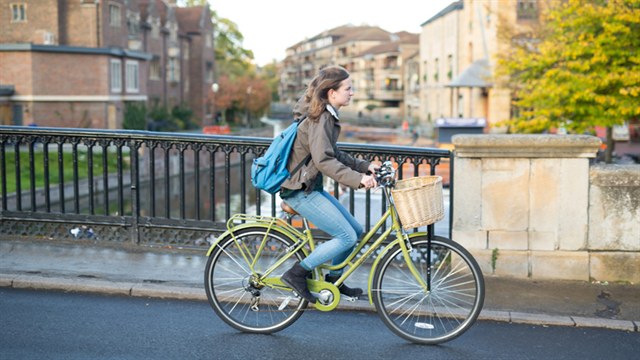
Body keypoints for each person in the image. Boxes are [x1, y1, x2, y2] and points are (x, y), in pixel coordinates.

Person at [280, 66, 378, 304]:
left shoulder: (326, 115)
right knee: (345, 236)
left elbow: (331, 153)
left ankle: (333, 281)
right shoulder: (321, 117)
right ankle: (296, 273)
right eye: (348, 88)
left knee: (354, 230)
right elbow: (324, 161)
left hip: (311, 188)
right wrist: (358, 180)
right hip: (299, 191)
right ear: (332, 92)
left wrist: (364, 167)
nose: (352, 93)